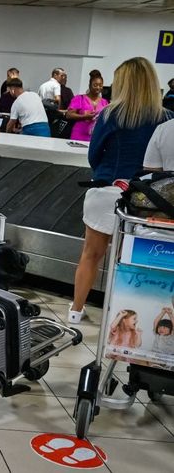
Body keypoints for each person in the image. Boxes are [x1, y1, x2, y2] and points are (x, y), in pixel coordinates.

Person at [69, 57, 174, 323]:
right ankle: (121, 312)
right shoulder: (166, 118)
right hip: (146, 200)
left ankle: (76, 311)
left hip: (107, 190)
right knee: (128, 260)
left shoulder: (110, 114)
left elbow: (94, 155)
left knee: (91, 255)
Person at [66, 70, 108, 141]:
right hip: (79, 135)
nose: (98, 87)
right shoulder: (79, 98)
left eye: (100, 85)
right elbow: (69, 115)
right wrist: (84, 116)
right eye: (95, 85)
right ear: (89, 85)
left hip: (96, 137)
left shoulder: (105, 102)